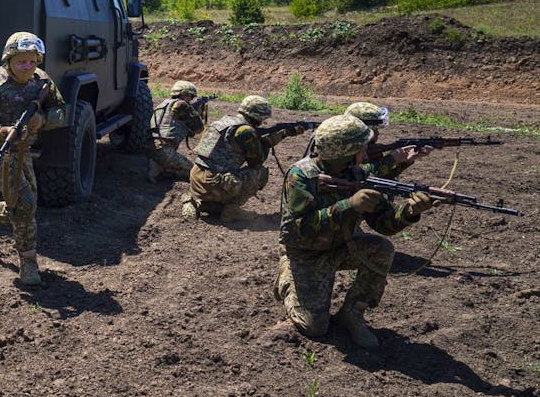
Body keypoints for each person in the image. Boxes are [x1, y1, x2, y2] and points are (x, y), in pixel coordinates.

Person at [273, 115, 437, 348]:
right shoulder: (300, 175)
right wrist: (350, 205)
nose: (366, 152)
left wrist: (410, 212)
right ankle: (288, 277)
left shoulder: (358, 174)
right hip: (305, 253)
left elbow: (383, 224)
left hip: (342, 245)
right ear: (345, 153)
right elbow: (300, 228)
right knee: (314, 327)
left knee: (381, 249)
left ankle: (352, 313)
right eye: (361, 148)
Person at [0, 31, 66, 286]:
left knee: (23, 205)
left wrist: (44, 120)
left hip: (22, 150)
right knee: (25, 203)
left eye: (32, 61)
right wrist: (4, 132)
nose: (28, 67)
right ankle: (28, 263)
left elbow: (61, 110)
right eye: (21, 62)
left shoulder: (42, 81)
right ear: (9, 59)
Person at [183, 95, 309, 219]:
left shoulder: (222, 122)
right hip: (213, 183)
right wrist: (275, 138)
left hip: (196, 178)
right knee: (259, 173)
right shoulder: (245, 131)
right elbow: (256, 162)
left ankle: (196, 202)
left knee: (221, 177)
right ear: (259, 116)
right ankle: (231, 209)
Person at [343, 102, 432, 179]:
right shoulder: (343, 151)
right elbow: (356, 176)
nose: (378, 133)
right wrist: (392, 159)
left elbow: (381, 177)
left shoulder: (370, 149)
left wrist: (405, 161)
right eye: (374, 130)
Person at [146, 80, 205, 182]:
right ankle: (167, 168)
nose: (191, 100)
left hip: (150, 148)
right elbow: (199, 129)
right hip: (165, 151)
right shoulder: (182, 105)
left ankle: (157, 169)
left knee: (165, 161)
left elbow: (189, 132)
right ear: (184, 94)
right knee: (196, 173)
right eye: (190, 97)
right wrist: (198, 113)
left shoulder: (163, 104)